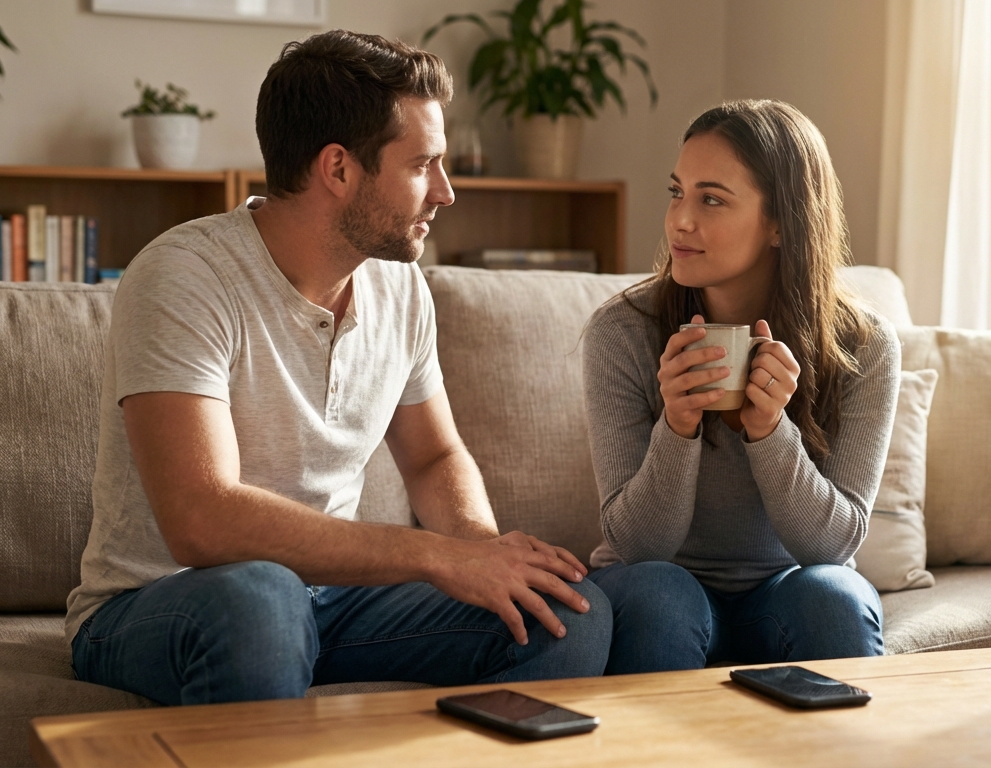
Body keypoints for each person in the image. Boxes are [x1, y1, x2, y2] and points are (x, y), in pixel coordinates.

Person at [65, 30, 610, 706]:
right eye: (422, 166)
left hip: (332, 604)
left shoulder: (400, 287)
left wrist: (482, 555)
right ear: (339, 169)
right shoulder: (184, 277)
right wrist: (435, 558)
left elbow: (435, 456)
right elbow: (201, 519)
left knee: (563, 613)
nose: (444, 192)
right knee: (263, 600)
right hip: (166, 604)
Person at [582, 100, 897, 674]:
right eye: (677, 192)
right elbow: (636, 547)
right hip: (657, 584)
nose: (680, 219)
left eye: (711, 199)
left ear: (781, 221)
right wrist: (676, 427)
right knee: (659, 595)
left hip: (780, 593)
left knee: (835, 598)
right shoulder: (622, 331)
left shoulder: (864, 346)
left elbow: (833, 548)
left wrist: (771, 432)